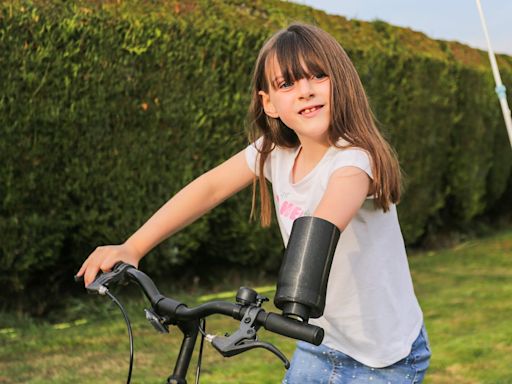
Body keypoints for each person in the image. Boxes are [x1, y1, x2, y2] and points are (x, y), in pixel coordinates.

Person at [77, 23, 431, 383]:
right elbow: (210, 188)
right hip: (318, 340)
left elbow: (326, 219)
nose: (305, 91)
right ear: (269, 103)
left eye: (318, 76)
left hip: (384, 356)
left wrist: (294, 298)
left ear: (341, 81)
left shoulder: (354, 161)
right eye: (287, 84)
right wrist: (133, 246)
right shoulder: (274, 152)